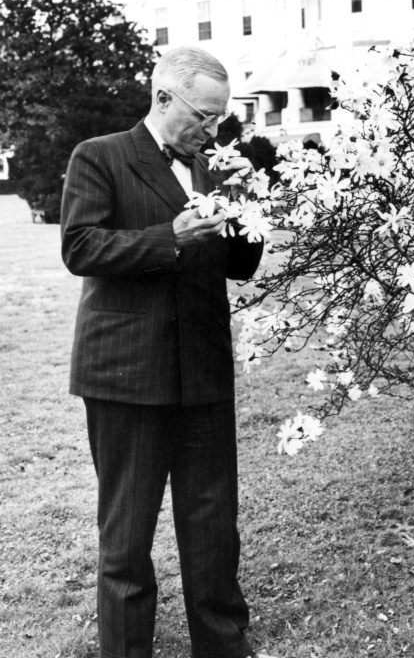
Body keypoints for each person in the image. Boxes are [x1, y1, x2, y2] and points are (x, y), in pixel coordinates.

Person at [61, 46, 270, 658]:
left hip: (203, 369)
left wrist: (251, 218)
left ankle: (223, 645)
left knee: (212, 525)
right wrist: (170, 237)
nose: (211, 130)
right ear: (162, 99)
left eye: (219, 120)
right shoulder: (99, 156)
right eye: (203, 116)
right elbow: (82, 247)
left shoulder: (217, 168)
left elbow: (240, 265)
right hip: (126, 375)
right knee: (126, 537)